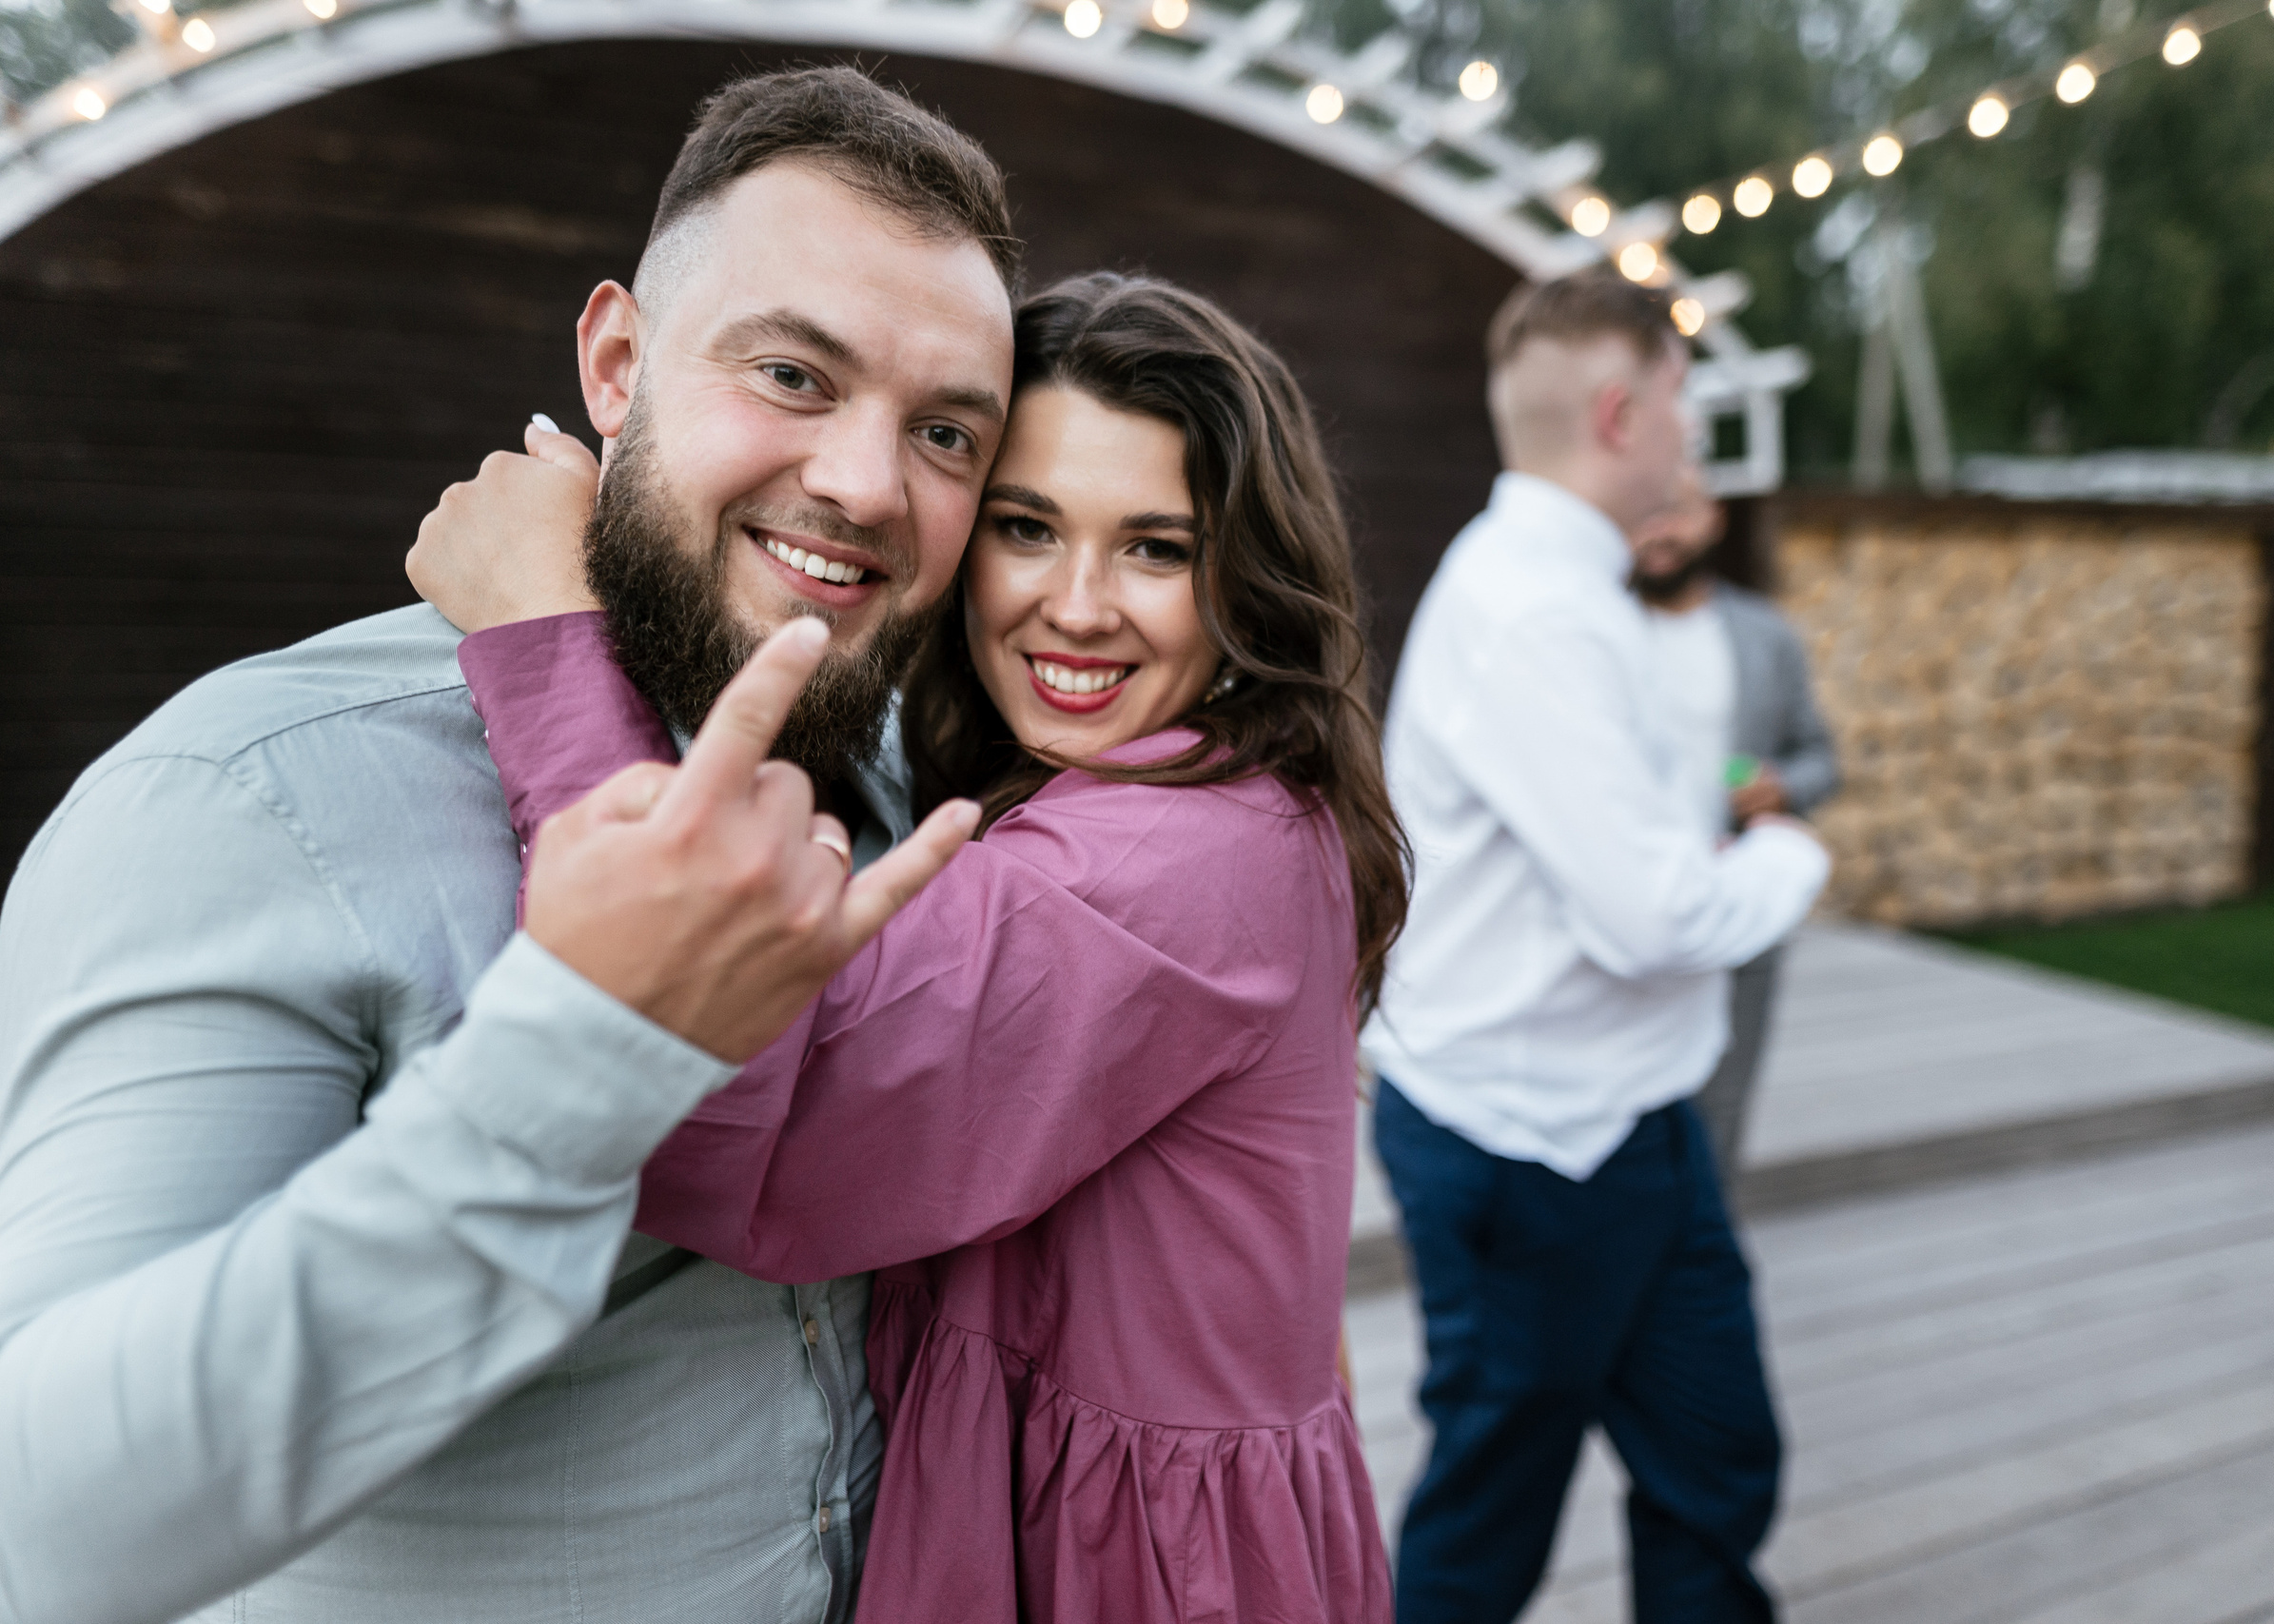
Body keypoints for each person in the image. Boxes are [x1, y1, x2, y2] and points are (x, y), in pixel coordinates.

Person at [0, 68, 1012, 1624]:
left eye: (947, 431)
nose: (871, 484)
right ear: (617, 362)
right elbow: (44, 1526)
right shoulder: (251, 795)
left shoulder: (881, 760)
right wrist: (578, 1054)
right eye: (797, 377)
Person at [407, 272, 1402, 1621]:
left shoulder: (1177, 855)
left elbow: (731, 1095)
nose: (1079, 605)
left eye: (1157, 547)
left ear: (1248, 577)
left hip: (1126, 1575)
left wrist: (547, 641)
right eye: (1027, 526)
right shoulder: (1209, 788)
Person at [1362, 266, 1832, 1624]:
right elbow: (1658, 916)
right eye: (1685, 404)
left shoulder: (1578, 591)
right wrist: (1792, 856)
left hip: (1637, 1125)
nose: (1696, 438)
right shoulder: (1535, 612)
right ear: (1622, 412)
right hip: (1529, 1149)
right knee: (1489, 1520)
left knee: (1717, 1456)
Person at [1627, 468, 1841, 1183]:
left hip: (1736, 896)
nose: (1660, 531)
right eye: (1644, 513)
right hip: (1629, 903)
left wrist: (1783, 786)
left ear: (1713, 519)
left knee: (1723, 1096)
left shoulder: (1764, 635)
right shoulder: (1598, 628)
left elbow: (1821, 757)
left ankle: (1703, 1237)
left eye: (1676, 511)